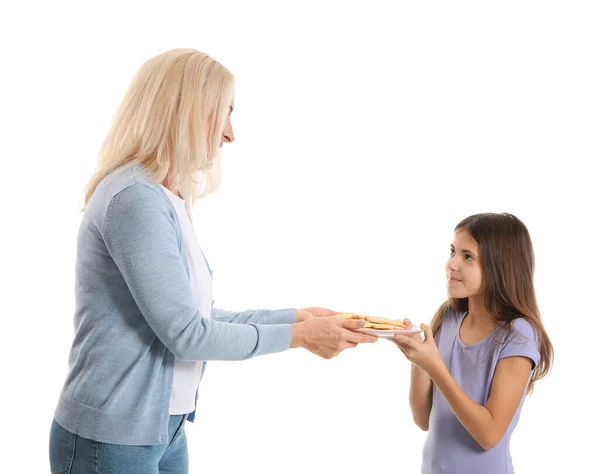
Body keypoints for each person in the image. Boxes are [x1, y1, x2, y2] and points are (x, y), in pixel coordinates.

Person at [49, 48, 376, 474]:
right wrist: (299, 335)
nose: (230, 134)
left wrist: (295, 317)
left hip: (162, 431)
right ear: (187, 110)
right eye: (225, 112)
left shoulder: (168, 197)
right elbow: (187, 335)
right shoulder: (135, 200)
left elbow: (193, 317)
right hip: (111, 440)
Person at [393, 213, 553, 474]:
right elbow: (423, 420)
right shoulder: (448, 318)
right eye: (452, 251)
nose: (451, 264)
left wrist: (434, 367)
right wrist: (418, 360)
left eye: (467, 256)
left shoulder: (518, 335)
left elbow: (489, 435)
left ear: (500, 266)